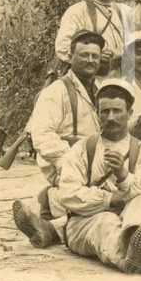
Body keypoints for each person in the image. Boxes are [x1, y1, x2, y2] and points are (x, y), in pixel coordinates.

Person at [53, 79, 141, 274]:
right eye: (105, 111)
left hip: (128, 219)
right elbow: (67, 193)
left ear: (130, 113)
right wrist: (110, 199)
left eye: (117, 111)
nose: (111, 117)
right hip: (86, 224)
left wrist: (123, 175)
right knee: (106, 222)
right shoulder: (83, 148)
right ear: (97, 114)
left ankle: (137, 245)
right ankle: (130, 259)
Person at [25, 30, 106, 229]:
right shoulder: (55, 92)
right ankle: (58, 205)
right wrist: (73, 162)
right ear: (70, 57)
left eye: (94, 56)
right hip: (65, 162)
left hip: (95, 163)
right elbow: (42, 136)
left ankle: (54, 208)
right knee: (112, 200)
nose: (90, 60)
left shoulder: (102, 89)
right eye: (84, 55)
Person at [54, 0, 133, 79]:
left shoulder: (125, 11)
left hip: (121, 77)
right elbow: (63, 47)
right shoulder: (78, 11)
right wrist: (93, 56)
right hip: (90, 78)